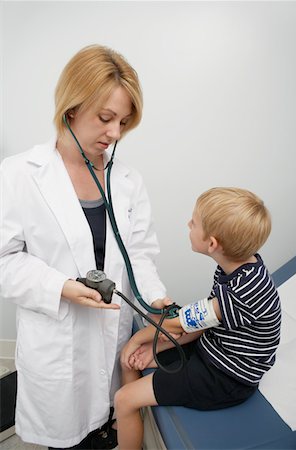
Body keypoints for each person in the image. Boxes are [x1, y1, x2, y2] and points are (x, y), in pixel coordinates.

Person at [0, 44, 170, 449]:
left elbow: (140, 252)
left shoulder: (127, 180)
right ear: (70, 109)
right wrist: (60, 286)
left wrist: (157, 297)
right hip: (59, 342)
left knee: (113, 424)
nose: (114, 134)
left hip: (115, 339)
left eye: (124, 122)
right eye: (106, 118)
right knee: (69, 437)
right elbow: (4, 261)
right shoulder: (20, 175)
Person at [115, 187, 281, 450]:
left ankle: (127, 414)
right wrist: (162, 344)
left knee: (123, 397)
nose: (188, 224)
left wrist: (137, 339)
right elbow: (203, 322)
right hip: (212, 348)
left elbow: (182, 323)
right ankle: (126, 424)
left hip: (225, 378)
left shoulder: (245, 290)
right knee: (132, 361)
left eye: (194, 222)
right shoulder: (239, 268)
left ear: (212, 243)